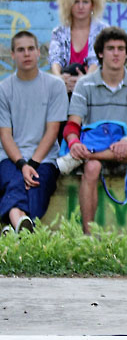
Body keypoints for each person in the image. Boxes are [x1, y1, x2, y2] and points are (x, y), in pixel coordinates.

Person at [57, 27, 127, 235]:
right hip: (95, 152)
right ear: (100, 53)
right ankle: (88, 236)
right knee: (91, 167)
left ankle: (89, 155)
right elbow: (72, 126)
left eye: (121, 49)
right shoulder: (85, 84)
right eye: (110, 48)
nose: (116, 53)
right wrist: (74, 143)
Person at [0, 31, 68, 236]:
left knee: (36, 185)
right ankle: (22, 226)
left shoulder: (55, 86)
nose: (26, 54)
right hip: (9, 157)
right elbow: (5, 135)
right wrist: (22, 165)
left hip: (44, 158)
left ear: (39, 52)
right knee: (16, 182)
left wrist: (33, 164)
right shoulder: (3, 89)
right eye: (20, 50)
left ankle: (12, 225)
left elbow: (53, 130)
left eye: (31, 49)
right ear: (12, 55)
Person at [49, 0, 108, 94]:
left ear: (92, 5)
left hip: (94, 86)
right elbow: (55, 59)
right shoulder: (59, 32)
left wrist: (83, 81)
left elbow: (95, 61)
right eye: (76, 2)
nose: (81, 6)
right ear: (69, 5)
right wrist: (59, 79)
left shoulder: (103, 31)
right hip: (67, 86)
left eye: (85, 2)